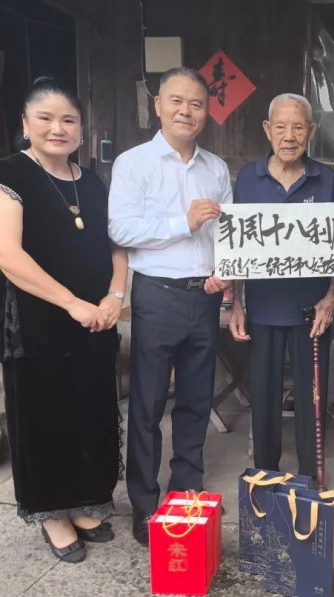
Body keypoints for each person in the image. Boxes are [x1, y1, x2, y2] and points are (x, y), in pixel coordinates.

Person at [0, 77, 126, 563]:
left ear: (80, 128)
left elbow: (117, 243)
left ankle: (83, 502)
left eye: (68, 120)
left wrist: (114, 295)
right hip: (38, 324)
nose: (57, 128)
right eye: (45, 118)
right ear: (26, 124)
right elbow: (4, 253)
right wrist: (71, 302)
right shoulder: (6, 175)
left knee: (88, 411)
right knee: (45, 417)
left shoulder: (92, 181)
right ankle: (51, 513)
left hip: (96, 320)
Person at [108, 67, 233, 546]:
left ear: (207, 112)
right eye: (176, 101)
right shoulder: (134, 163)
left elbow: (227, 233)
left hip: (205, 295)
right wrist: (183, 222)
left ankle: (186, 490)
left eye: (196, 104)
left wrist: (227, 272)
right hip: (156, 295)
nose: (186, 111)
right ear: (158, 105)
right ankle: (144, 502)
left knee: (197, 399)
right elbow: (121, 229)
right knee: (147, 402)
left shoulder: (216, 168)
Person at [229, 93, 334, 478]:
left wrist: (331, 295)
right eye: (280, 127)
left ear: (311, 131)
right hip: (262, 308)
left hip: (312, 310)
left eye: (297, 127)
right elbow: (237, 246)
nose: (289, 136)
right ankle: (265, 476)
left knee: (312, 399)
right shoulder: (248, 177)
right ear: (267, 130)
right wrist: (237, 303)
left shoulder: (325, 178)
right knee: (263, 398)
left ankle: (310, 478)